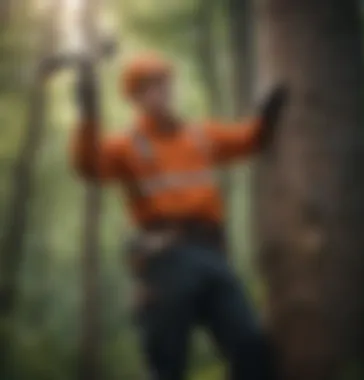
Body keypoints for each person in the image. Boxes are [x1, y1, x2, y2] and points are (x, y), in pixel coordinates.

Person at [71, 52, 288, 380]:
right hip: (165, 259)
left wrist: (267, 112)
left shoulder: (201, 135)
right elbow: (87, 165)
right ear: (135, 98)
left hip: (212, 255)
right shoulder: (127, 145)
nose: (159, 91)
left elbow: (250, 139)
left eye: (163, 83)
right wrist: (87, 113)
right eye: (148, 87)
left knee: (250, 346)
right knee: (167, 365)